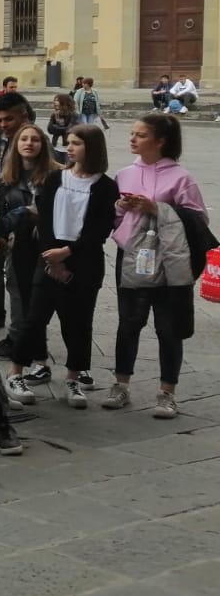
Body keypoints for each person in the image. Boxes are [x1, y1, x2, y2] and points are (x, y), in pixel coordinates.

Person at [104, 115, 206, 418]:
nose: (133, 139)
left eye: (141, 135)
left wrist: (157, 208)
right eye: (132, 133)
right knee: (128, 323)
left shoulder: (181, 177)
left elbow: (198, 220)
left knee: (168, 326)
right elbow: (113, 220)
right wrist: (119, 208)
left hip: (167, 260)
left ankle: (167, 392)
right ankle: (121, 384)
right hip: (132, 256)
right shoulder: (124, 174)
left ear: (160, 140)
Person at [12, 124, 118, 408]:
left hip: (84, 261)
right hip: (48, 256)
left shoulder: (106, 186)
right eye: (69, 143)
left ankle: (73, 379)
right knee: (34, 319)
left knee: (79, 323)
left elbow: (100, 228)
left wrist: (68, 252)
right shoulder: (55, 178)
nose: (69, 148)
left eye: (76, 143)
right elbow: (44, 218)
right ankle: (16, 373)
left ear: (92, 148)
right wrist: (51, 256)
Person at [0, 123, 61, 387]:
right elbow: (2, 218)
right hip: (20, 246)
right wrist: (22, 216)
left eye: (35, 139)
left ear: (43, 145)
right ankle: (36, 360)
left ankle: (42, 362)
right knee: (21, 304)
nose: (29, 143)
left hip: (47, 246)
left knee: (40, 305)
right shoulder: (7, 178)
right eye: (24, 139)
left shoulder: (56, 175)